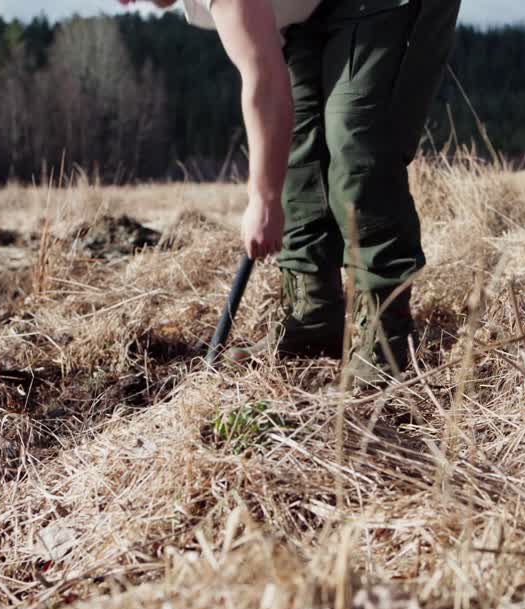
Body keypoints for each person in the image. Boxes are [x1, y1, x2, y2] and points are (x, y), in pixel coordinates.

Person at [119, 0, 461, 384]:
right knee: (300, 142)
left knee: (357, 142)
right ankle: (313, 315)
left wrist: (263, 200)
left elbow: (265, 81)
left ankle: (385, 337)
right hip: (315, 13)